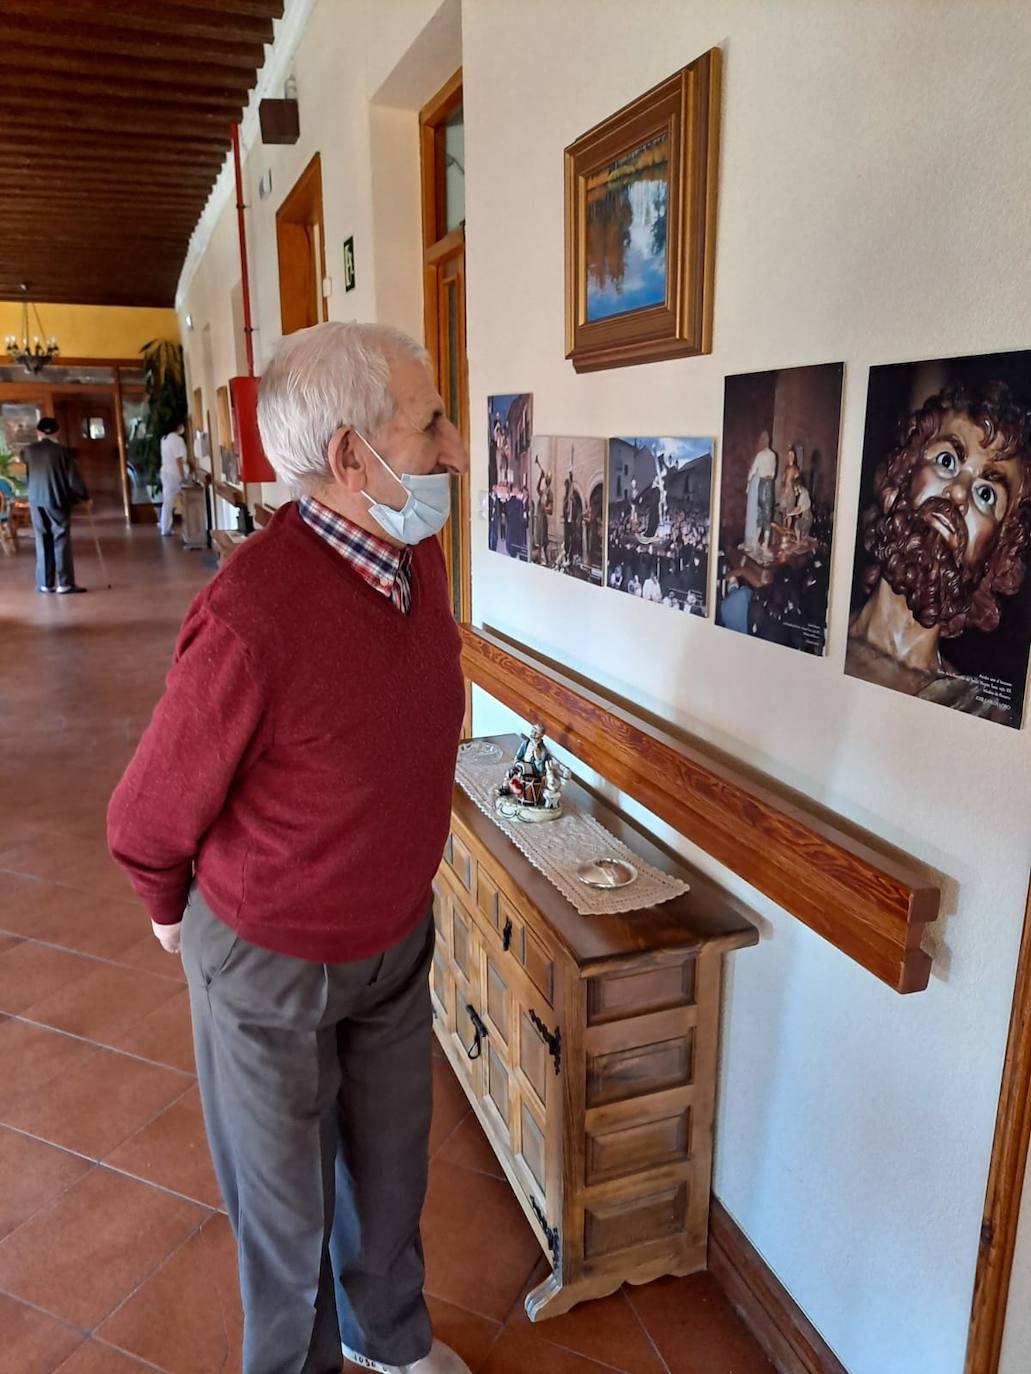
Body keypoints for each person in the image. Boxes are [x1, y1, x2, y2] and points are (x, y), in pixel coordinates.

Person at [107, 322, 472, 1374]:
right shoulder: (250, 612)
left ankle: (388, 1341)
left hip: (393, 938)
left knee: (392, 1175)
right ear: (351, 458)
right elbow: (144, 817)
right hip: (268, 963)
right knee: (284, 1218)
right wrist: (179, 919)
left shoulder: (415, 553)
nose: (453, 447)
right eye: (430, 422)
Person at [846, 379, 1031, 723]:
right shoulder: (814, 641)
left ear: (997, 552)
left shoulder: (985, 718)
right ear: (903, 476)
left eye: (986, 494)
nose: (959, 493)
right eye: (946, 461)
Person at [21, 416, 89, 593]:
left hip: (36, 501)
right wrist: (84, 496)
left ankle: (45, 583)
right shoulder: (62, 452)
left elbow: (25, 474)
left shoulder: (28, 451)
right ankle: (64, 584)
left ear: (38, 432)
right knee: (61, 539)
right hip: (57, 499)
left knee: (42, 539)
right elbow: (73, 479)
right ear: (58, 432)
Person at [744, 430, 777, 549]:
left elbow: (752, 471)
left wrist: (748, 484)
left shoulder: (760, 455)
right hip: (769, 484)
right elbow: (773, 473)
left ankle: (757, 541)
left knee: (760, 512)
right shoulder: (773, 455)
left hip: (762, 484)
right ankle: (765, 543)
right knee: (767, 514)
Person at [159, 420, 188, 536]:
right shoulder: (177, 440)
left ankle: (164, 526)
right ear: (178, 426)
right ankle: (166, 527)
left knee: (167, 501)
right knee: (181, 500)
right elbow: (178, 460)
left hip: (165, 472)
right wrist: (182, 478)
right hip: (175, 473)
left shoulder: (164, 439)